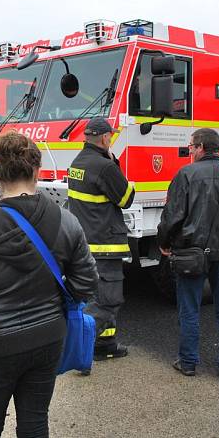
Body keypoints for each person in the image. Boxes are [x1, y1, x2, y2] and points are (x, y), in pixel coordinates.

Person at [0, 131, 98, 438]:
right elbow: (86, 284)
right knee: (35, 423)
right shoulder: (67, 221)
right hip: (47, 338)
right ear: (37, 171)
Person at [157, 128, 219, 376]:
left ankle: (188, 362)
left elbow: (172, 216)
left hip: (192, 253)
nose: (190, 151)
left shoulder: (185, 174)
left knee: (189, 310)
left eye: (191, 147)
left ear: (200, 147)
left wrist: (164, 242)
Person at [67, 117, 135, 360]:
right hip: (105, 243)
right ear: (105, 138)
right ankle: (78, 347)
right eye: (111, 136)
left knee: (94, 297)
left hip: (85, 243)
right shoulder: (105, 166)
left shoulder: (77, 162)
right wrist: (115, 164)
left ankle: (105, 344)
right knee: (108, 301)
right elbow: (126, 198)